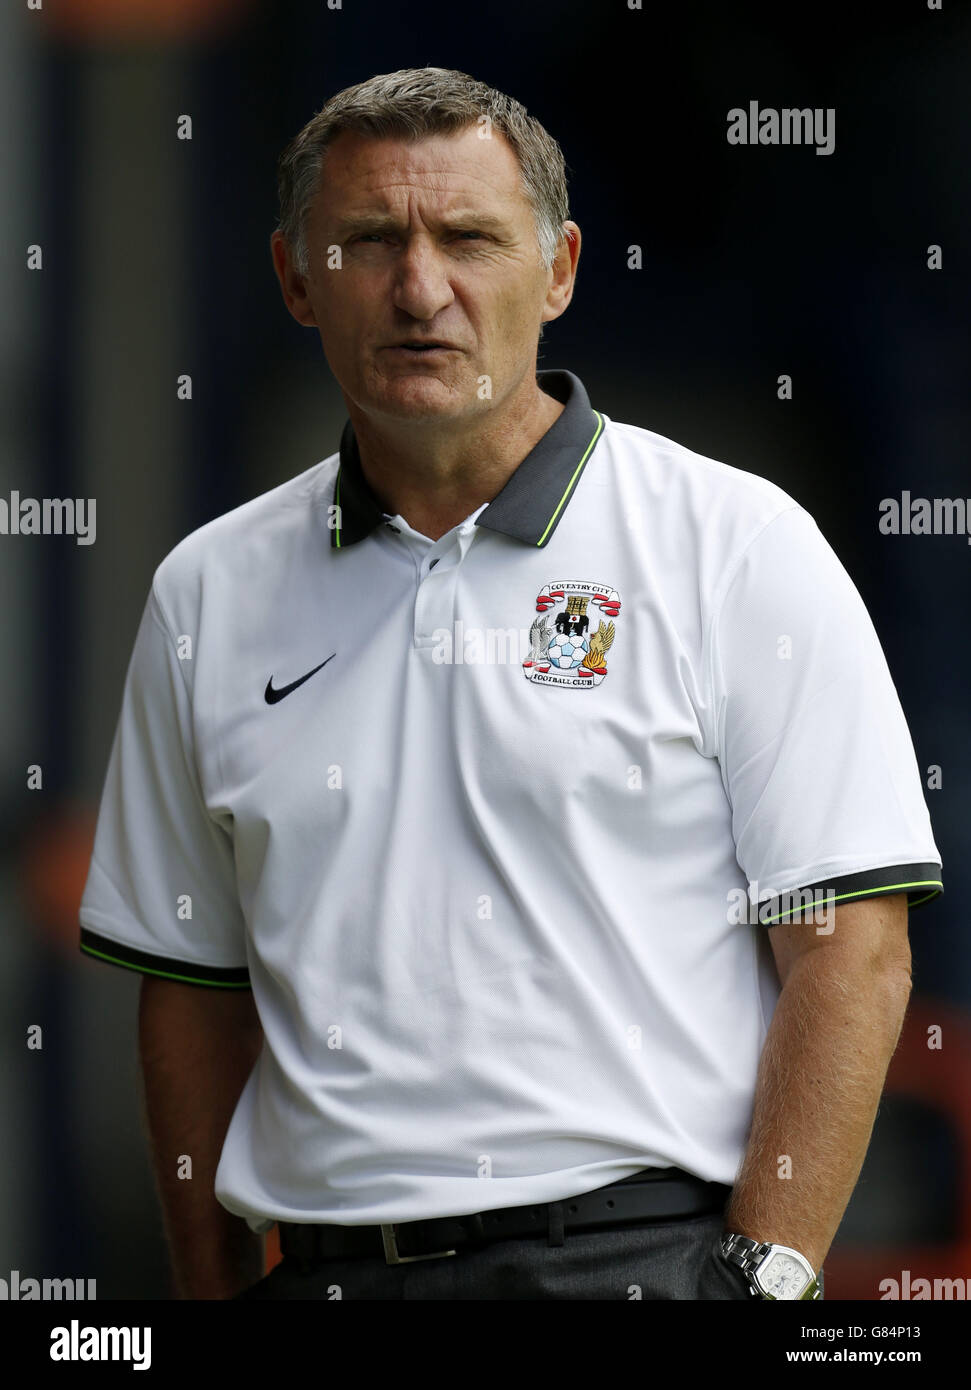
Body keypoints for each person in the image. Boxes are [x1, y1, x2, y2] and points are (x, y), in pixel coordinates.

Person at [78, 67, 944, 1301]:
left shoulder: (731, 543)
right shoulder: (205, 593)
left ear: (560, 269)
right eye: (367, 241)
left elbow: (850, 950)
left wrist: (765, 1282)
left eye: (469, 239)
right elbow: (189, 991)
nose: (419, 288)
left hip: (639, 1262)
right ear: (292, 279)